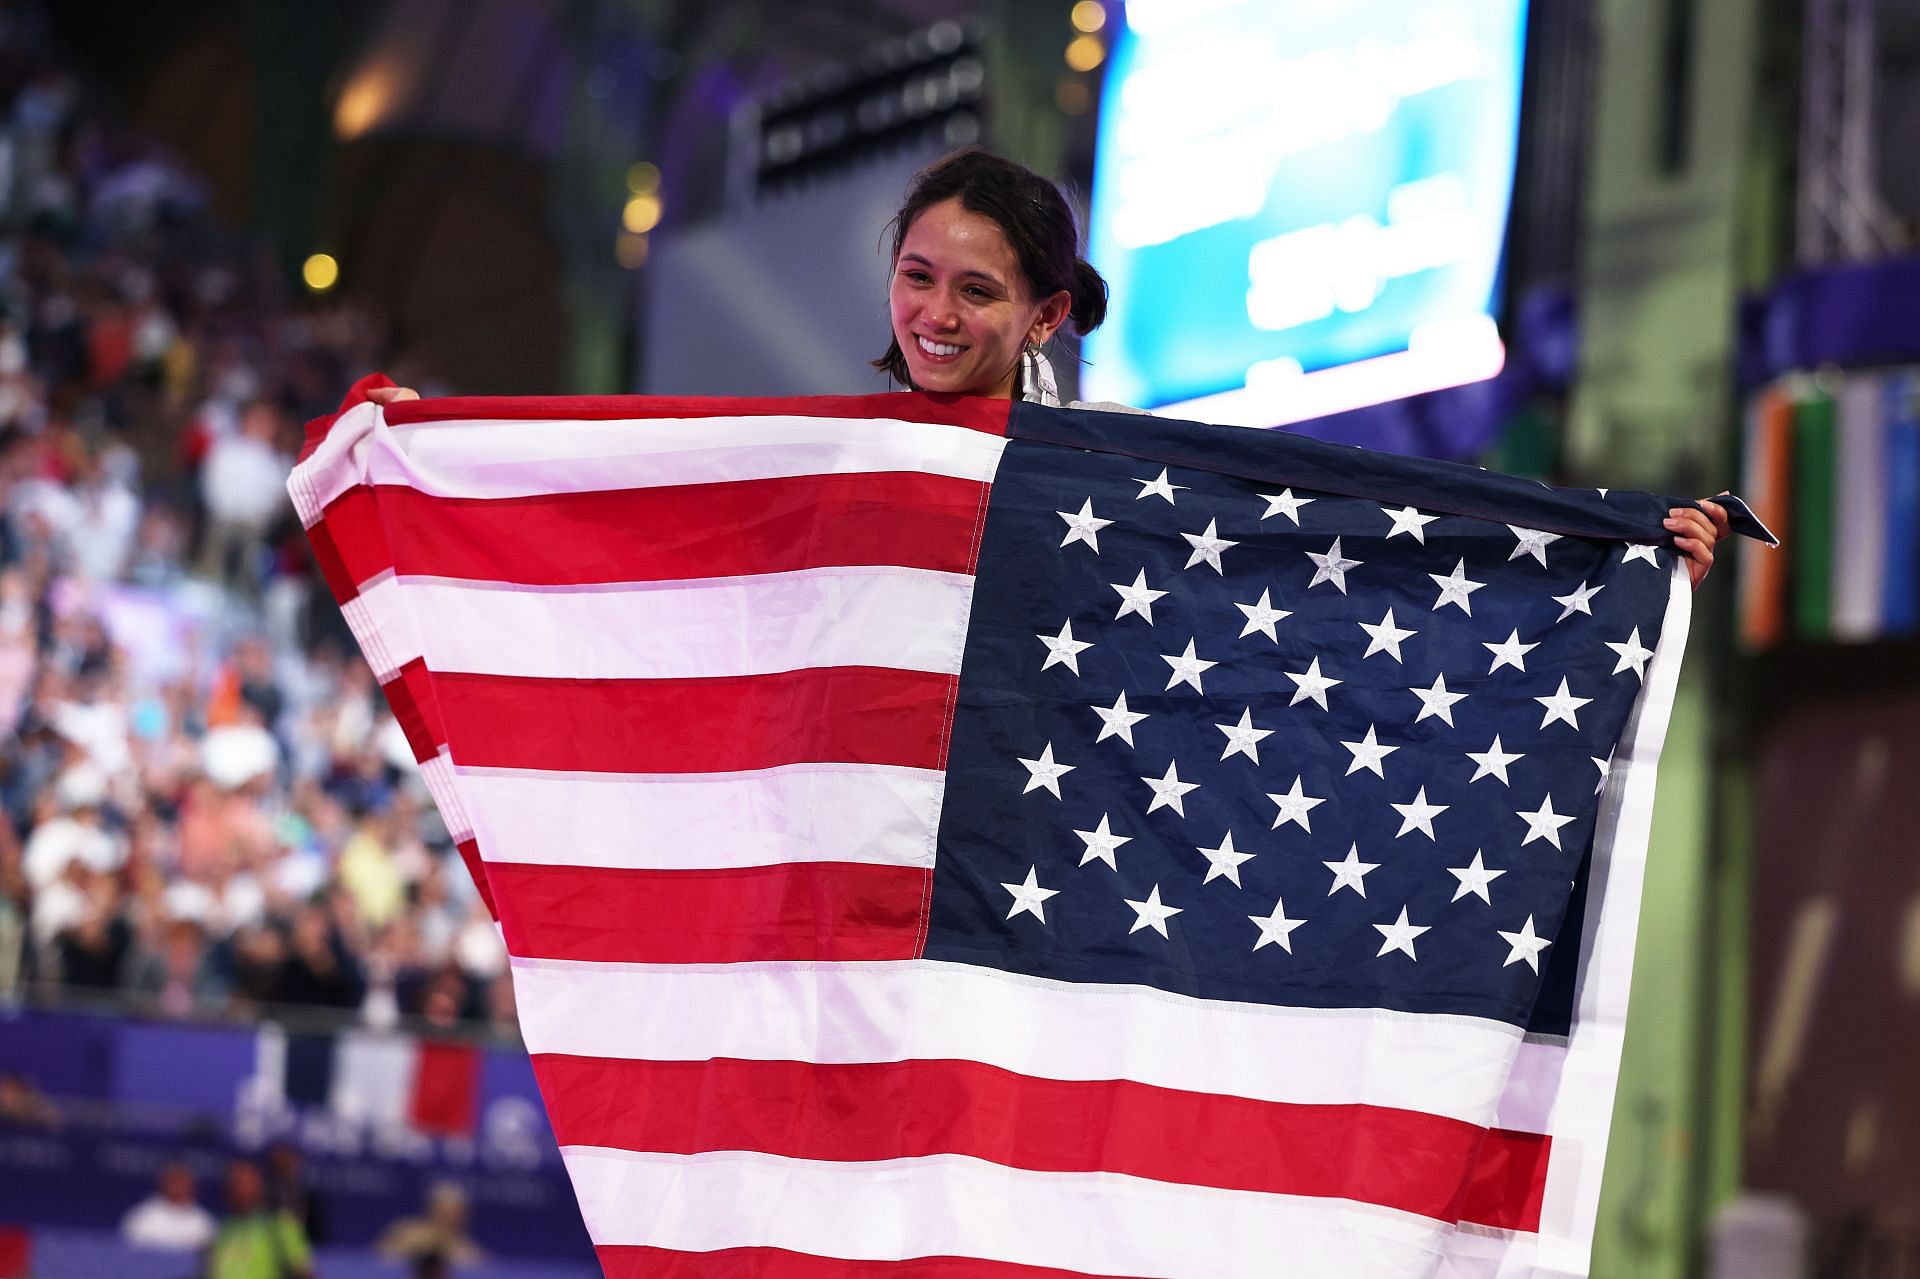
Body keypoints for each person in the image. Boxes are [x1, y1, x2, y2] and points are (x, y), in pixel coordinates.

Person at [364, 147, 1730, 578]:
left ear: (1045, 315)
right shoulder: (827, 447)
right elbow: (636, 495)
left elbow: (1341, 527)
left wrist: (1607, 545)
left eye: (975, 290)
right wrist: (429, 452)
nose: (935, 313)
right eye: (916, 276)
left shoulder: (1114, 474)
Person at [206, 1158, 313, 1279]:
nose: (237, 1188)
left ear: (259, 1186)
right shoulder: (223, 1228)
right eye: (233, 1182)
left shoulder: (278, 1224)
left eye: (244, 1183)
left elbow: (303, 1272)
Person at [120, 1160, 218, 1252]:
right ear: (163, 1183)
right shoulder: (141, 1218)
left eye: (183, 1181)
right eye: (174, 1181)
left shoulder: (203, 1223)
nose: (178, 1186)